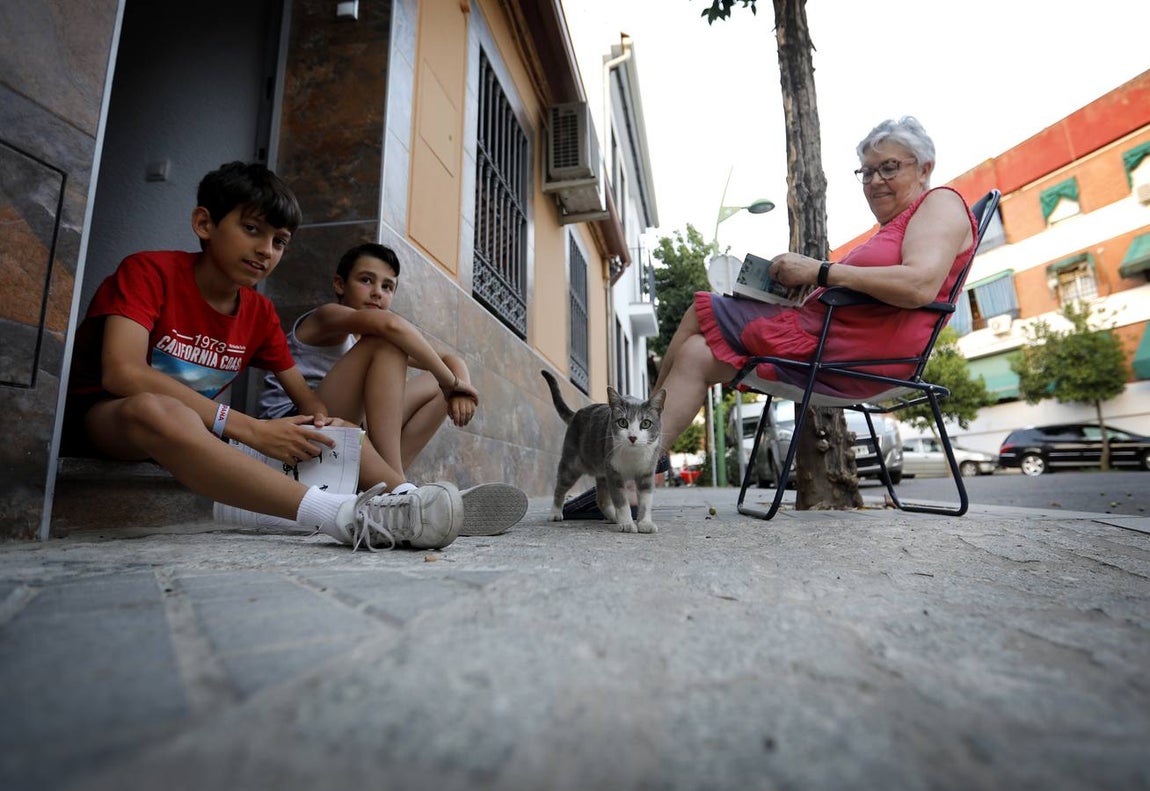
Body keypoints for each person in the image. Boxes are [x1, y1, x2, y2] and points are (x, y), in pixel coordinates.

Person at [62, 161, 497, 551]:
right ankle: (339, 516)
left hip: (200, 434)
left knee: (327, 428)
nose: (266, 250)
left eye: (280, 241)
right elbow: (121, 372)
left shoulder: (258, 312)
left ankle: (401, 501)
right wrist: (249, 428)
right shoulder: (149, 272)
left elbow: (306, 401)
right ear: (204, 223)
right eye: (252, 230)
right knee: (158, 410)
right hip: (110, 422)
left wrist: (323, 422)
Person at [565, 116, 978, 517]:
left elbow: (920, 284)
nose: (874, 182)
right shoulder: (898, 225)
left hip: (850, 355)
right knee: (694, 353)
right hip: (829, 346)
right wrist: (808, 287)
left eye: (888, 168)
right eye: (866, 172)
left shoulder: (940, 202)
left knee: (702, 305)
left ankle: (639, 440)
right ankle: (638, 470)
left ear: (925, 168)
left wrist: (818, 271)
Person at [255, 241, 525, 536]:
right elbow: (389, 326)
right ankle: (402, 493)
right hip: (296, 432)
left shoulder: (362, 342)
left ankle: (390, 491)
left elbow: (450, 358)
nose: (377, 293)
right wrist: (453, 382)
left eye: (388, 287)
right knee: (388, 342)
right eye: (366, 280)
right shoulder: (326, 318)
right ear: (339, 284)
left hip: (341, 441)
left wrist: (458, 385)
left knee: (433, 379)